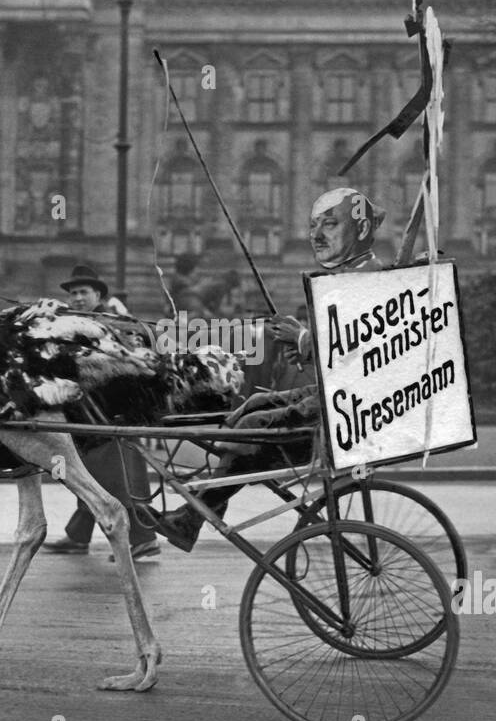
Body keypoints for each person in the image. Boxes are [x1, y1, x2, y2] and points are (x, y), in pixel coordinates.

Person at [148, 188, 387, 551]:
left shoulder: (367, 277)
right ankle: (198, 511)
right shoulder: (348, 274)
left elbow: (367, 348)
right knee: (252, 407)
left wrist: (304, 338)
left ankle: (195, 513)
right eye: (313, 225)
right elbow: (341, 348)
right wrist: (303, 349)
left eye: (331, 224)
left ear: (361, 230)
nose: (317, 234)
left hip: (347, 407)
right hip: (335, 393)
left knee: (251, 427)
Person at [42, 265, 162, 560]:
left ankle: (143, 538)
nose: (77, 298)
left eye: (83, 292)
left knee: (117, 479)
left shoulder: (114, 321)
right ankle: (79, 536)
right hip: (93, 411)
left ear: (98, 294)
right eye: (73, 294)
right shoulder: (82, 321)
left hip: (113, 412)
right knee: (95, 474)